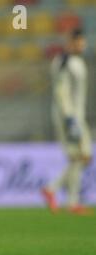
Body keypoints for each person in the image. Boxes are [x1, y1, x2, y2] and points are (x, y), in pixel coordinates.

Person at [41, 28, 93, 216]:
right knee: (79, 156)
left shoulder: (78, 62)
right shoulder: (63, 61)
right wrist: (69, 118)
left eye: (82, 42)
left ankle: (53, 191)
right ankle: (70, 201)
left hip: (77, 116)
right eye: (78, 42)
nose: (81, 45)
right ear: (69, 42)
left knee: (82, 157)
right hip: (69, 117)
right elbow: (60, 91)